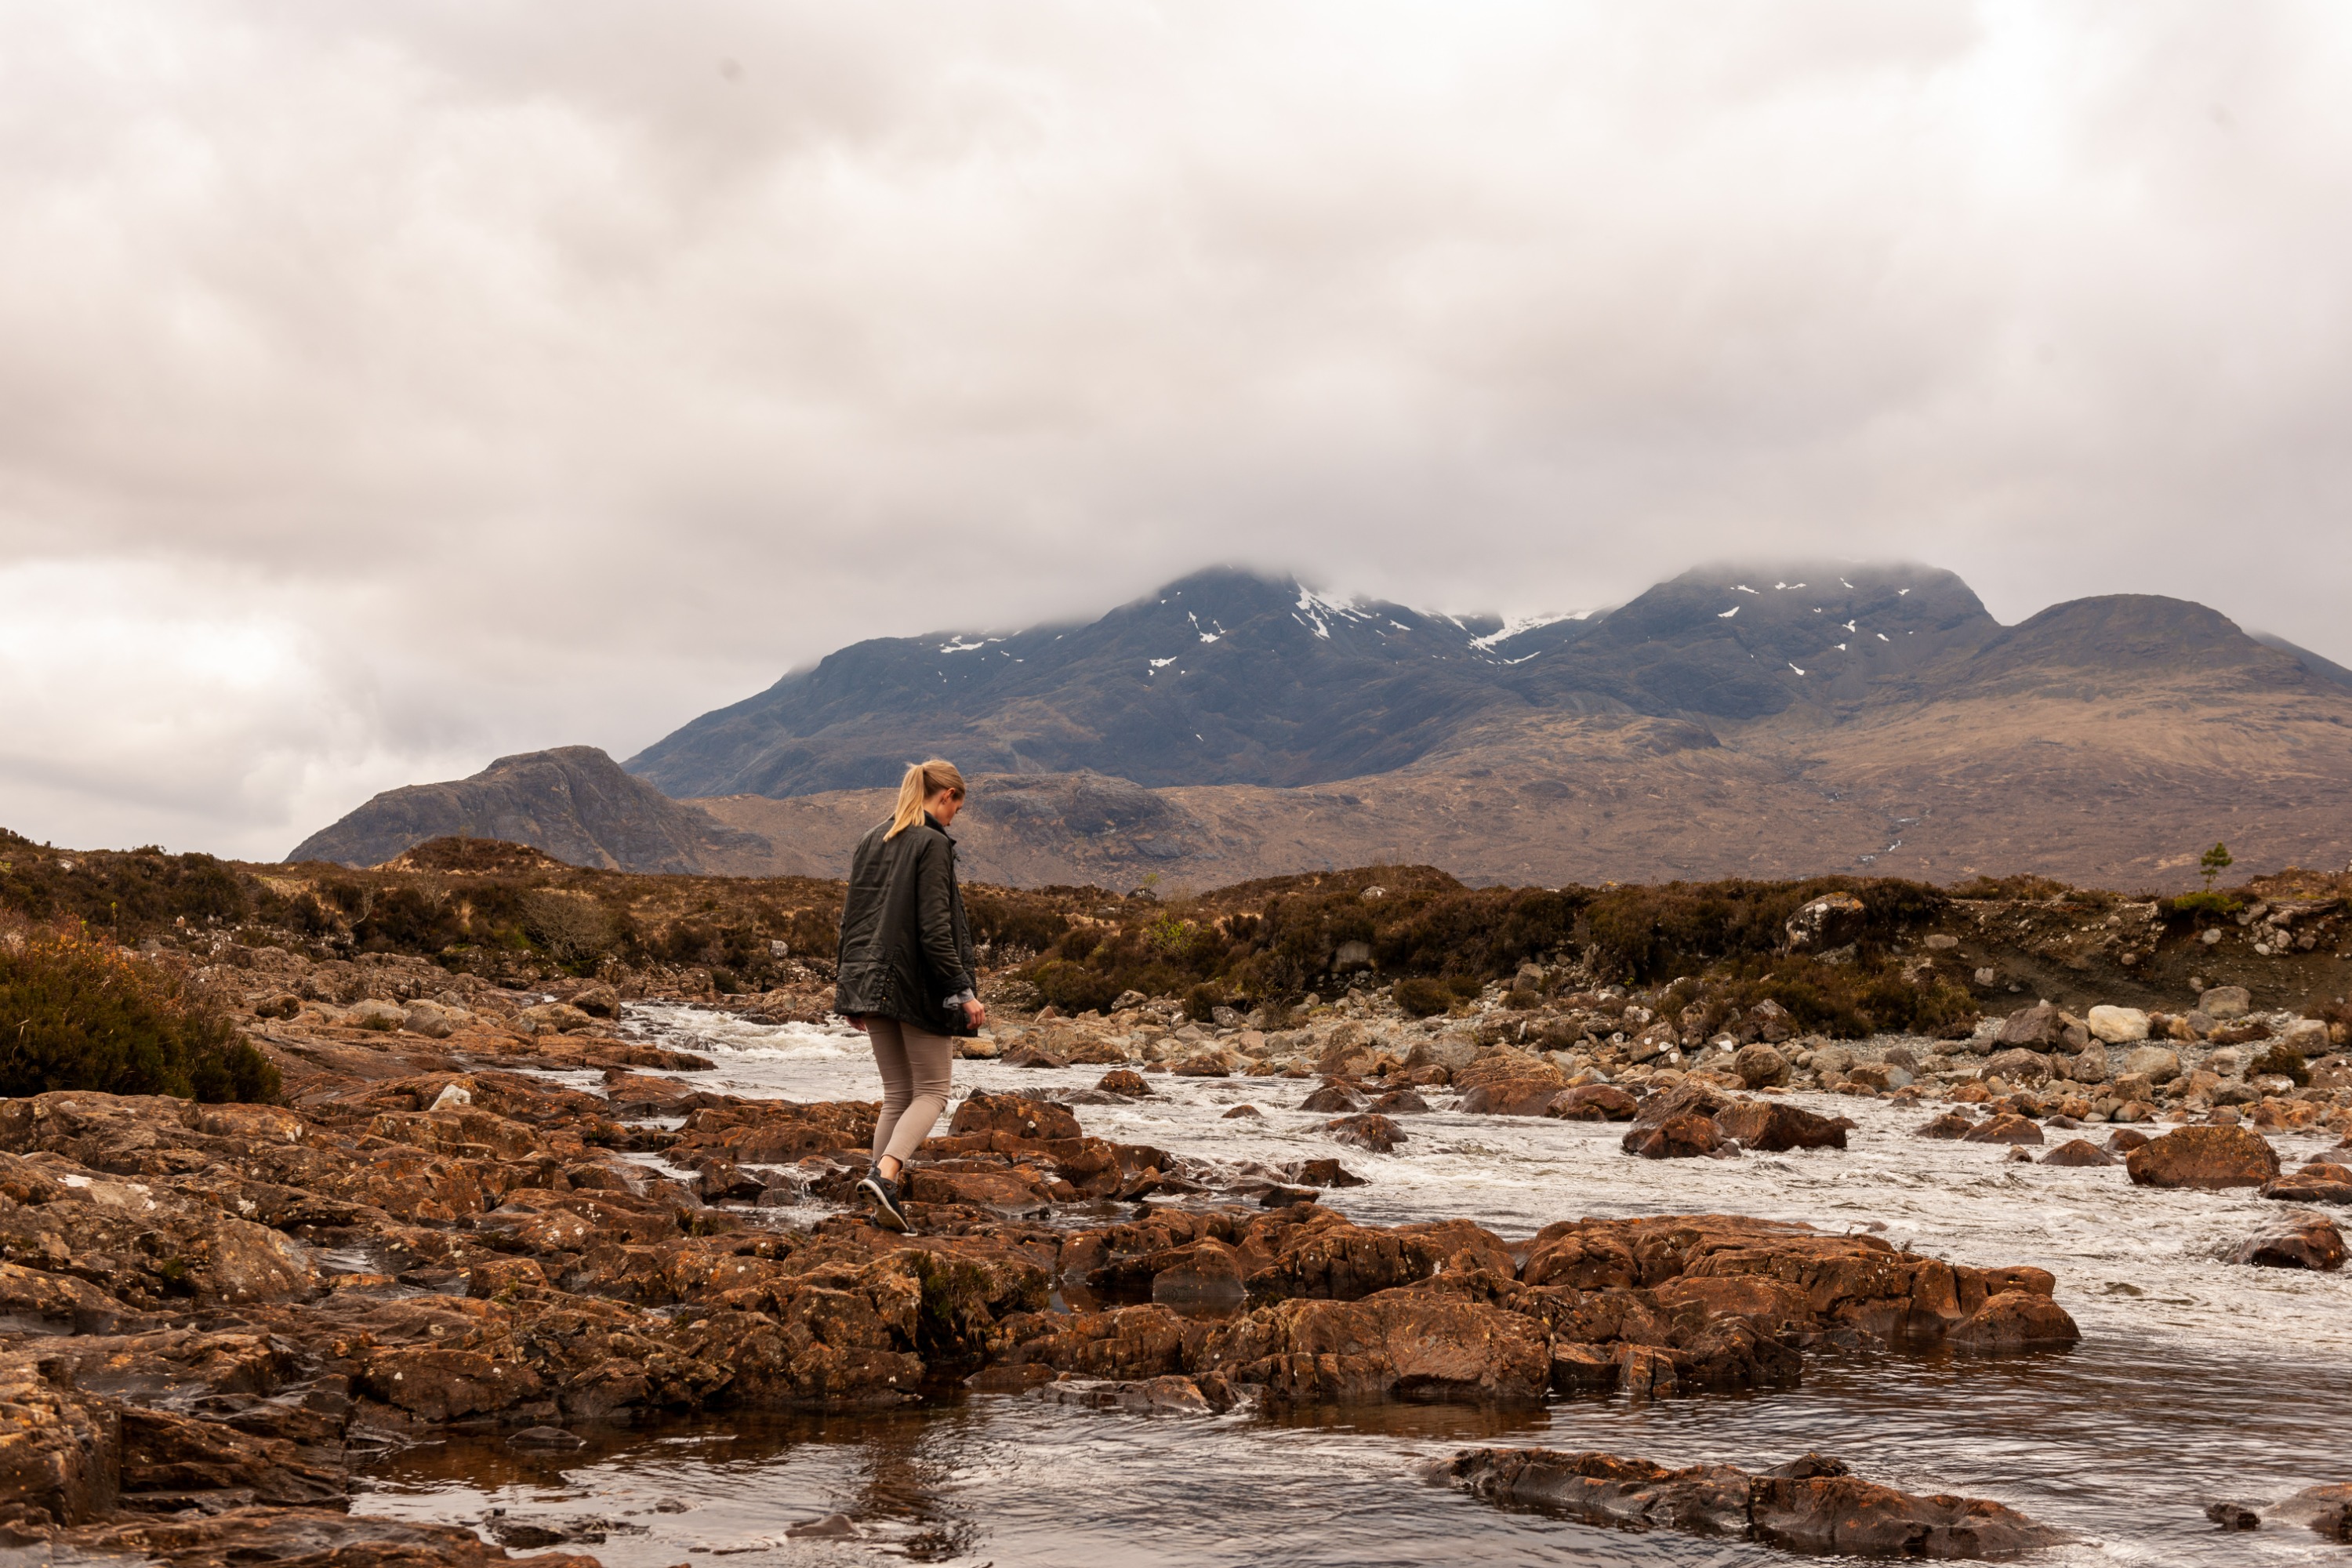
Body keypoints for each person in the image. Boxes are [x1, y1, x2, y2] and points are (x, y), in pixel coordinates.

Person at [833, 758, 983, 1231]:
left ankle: (877, 1197)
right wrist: (962, 991)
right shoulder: (931, 843)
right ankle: (888, 1173)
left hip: (870, 982)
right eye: (956, 807)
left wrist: (852, 992)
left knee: (897, 1093)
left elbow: (853, 921)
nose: (954, 817)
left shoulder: (871, 838)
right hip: (917, 985)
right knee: (934, 1092)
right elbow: (935, 930)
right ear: (945, 797)